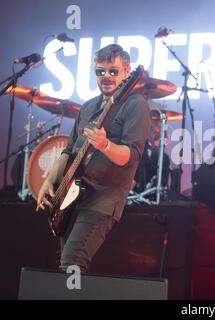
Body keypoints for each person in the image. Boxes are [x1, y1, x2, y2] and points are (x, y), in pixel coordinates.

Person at [36, 44, 151, 272]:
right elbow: (69, 152)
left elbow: (130, 156)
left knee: (72, 263)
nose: (106, 76)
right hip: (71, 196)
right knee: (64, 266)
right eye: (100, 71)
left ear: (127, 72)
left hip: (103, 200)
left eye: (113, 71)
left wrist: (105, 145)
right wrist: (48, 182)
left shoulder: (135, 105)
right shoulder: (88, 107)